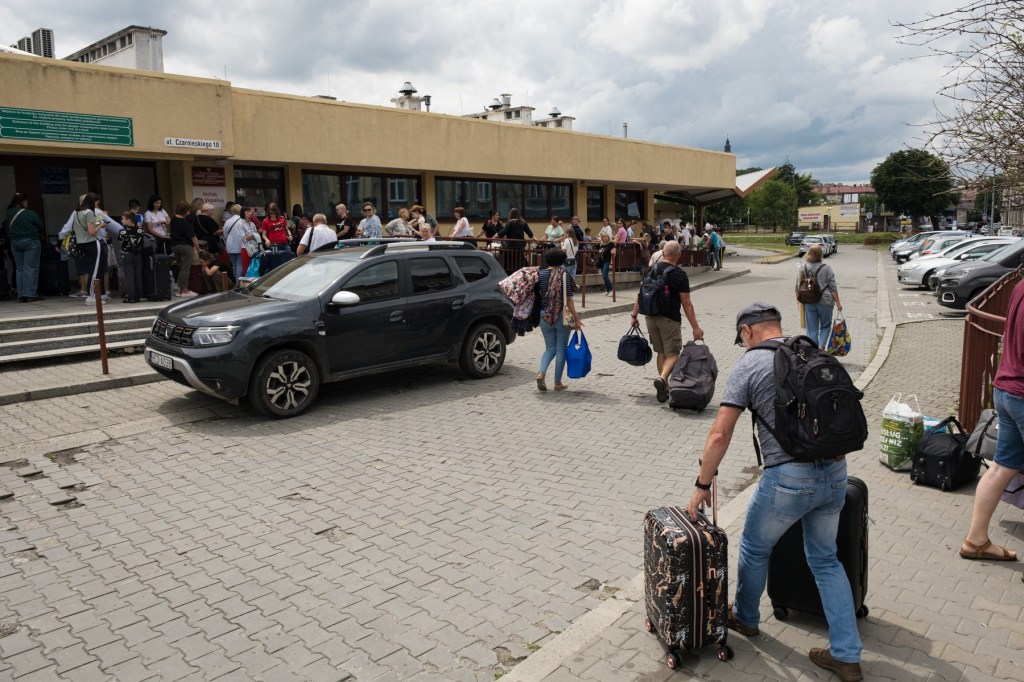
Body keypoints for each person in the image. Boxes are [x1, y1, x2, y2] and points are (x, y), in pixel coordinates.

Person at [686, 302, 863, 682]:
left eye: (742, 338)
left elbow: (719, 433)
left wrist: (703, 485)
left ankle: (747, 618)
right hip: (835, 471)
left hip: (788, 478)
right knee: (826, 560)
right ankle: (847, 655)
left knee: (754, 546)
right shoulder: (813, 350)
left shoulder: (749, 364)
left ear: (748, 331)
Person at [960, 277, 1024, 564]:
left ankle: (976, 541)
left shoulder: (1020, 286)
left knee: (1001, 467)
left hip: (1005, 388)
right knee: (1002, 467)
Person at [629, 240, 704, 402]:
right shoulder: (679, 274)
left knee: (661, 352)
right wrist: (695, 327)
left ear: (663, 253)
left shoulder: (649, 270)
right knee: (674, 353)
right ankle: (662, 379)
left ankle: (666, 388)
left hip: (650, 317)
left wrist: (634, 316)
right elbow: (686, 303)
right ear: (678, 255)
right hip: (669, 320)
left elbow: (640, 294)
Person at [535, 249, 582, 392]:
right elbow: (569, 300)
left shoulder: (540, 274)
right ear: (562, 261)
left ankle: (541, 373)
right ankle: (557, 383)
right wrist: (577, 319)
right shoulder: (564, 275)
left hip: (544, 315)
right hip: (561, 315)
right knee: (561, 349)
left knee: (550, 348)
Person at [798, 244, 843, 349]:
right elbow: (833, 288)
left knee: (812, 328)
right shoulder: (827, 268)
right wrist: (838, 303)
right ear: (820, 255)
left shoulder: (803, 268)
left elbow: (798, 286)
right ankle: (821, 346)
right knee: (825, 326)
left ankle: (814, 349)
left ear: (809, 253)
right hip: (826, 301)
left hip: (809, 301)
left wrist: (799, 301)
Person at [5, 193, 45, 302]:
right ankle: (31, 294)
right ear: (23, 202)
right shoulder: (30, 213)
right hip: (30, 242)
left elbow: (6, 226)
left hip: (14, 242)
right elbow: (40, 226)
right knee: (31, 268)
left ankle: (21, 295)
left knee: (19, 268)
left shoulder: (9, 213)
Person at [74, 193, 109, 305]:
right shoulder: (89, 212)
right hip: (94, 243)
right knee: (95, 271)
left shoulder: (77, 212)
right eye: (95, 202)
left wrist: (97, 223)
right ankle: (91, 297)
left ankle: (98, 294)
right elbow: (92, 231)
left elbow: (85, 226)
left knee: (94, 269)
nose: (96, 205)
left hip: (84, 244)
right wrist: (101, 225)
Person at [170, 201, 200, 298]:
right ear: (185, 211)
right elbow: (193, 237)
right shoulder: (184, 222)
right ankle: (185, 290)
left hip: (175, 246)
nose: (189, 211)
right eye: (188, 209)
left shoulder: (173, 220)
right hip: (185, 246)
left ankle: (179, 290)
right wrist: (198, 248)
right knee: (186, 268)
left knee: (180, 267)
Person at [117, 210, 145, 303]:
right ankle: (138, 295)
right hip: (138, 254)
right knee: (138, 274)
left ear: (129, 220)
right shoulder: (140, 231)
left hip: (127, 254)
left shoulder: (122, 232)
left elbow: (120, 244)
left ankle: (131, 296)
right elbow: (142, 243)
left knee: (129, 275)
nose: (122, 221)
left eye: (123, 219)